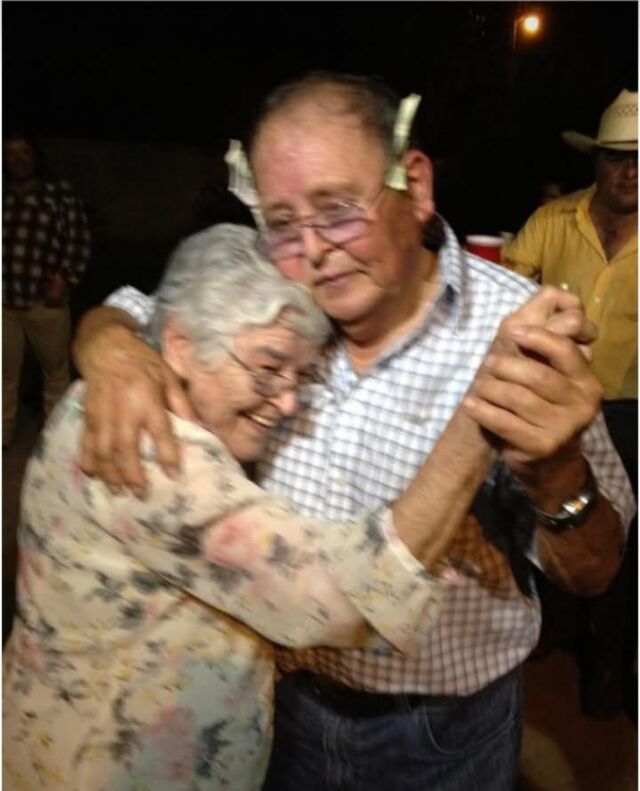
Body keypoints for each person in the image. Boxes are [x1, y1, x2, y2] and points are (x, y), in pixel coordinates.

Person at [72, 74, 634, 790]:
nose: (311, 251)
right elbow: (138, 307)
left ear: (416, 185)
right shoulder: (269, 290)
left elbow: (594, 570)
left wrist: (556, 476)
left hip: (441, 730)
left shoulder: (517, 335)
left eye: (337, 210)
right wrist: (111, 345)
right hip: (279, 704)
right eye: (282, 221)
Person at [4, 223, 479, 790]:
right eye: (268, 367)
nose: (287, 402)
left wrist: (104, 331)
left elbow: (147, 307)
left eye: (301, 375)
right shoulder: (150, 446)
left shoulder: (135, 382)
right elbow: (335, 595)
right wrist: (481, 419)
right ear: (181, 347)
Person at [502, 89, 638, 719]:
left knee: (621, 537)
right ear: (596, 160)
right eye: (617, 157)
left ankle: (606, 659)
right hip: (557, 406)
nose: (630, 171)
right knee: (545, 515)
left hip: (632, 412)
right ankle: (549, 628)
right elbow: (506, 285)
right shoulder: (552, 221)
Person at [3, 132, 92, 447]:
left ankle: (55, 437)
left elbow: (79, 239)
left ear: (36, 156)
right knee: (4, 374)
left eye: (24, 152)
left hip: (45, 301)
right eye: (11, 153)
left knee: (55, 372)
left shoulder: (58, 194)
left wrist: (63, 278)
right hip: (5, 300)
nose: (18, 159)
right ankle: (2, 433)